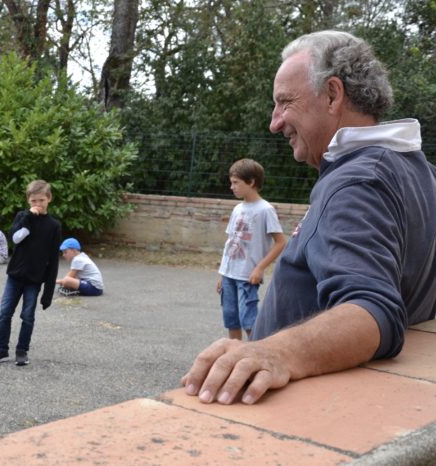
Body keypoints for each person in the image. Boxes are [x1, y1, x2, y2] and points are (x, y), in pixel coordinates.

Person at [182, 30, 436, 406]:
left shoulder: (359, 180)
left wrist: (276, 352)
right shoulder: (420, 172)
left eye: (284, 102)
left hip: (303, 412)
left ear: (333, 94)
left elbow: (372, 312)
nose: (274, 122)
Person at [0, 180, 61, 367]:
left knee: (27, 316)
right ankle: (1, 350)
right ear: (28, 200)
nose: (37, 205)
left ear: (49, 199)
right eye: (34, 201)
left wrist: (48, 292)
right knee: (4, 313)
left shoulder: (54, 226)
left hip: (34, 279)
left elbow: (53, 260)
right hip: (15, 276)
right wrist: (28, 219)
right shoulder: (22, 217)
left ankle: (22, 350)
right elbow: (16, 238)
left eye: (41, 200)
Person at [216, 159, 286, 340]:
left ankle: (257, 356)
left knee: (249, 321)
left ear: (251, 182)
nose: (232, 187)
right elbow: (230, 242)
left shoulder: (265, 210)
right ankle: (234, 357)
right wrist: (222, 274)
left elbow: (280, 242)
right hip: (229, 276)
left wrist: (260, 268)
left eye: (235, 183)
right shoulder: (238, 209)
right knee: (231, 320)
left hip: (247, 276)